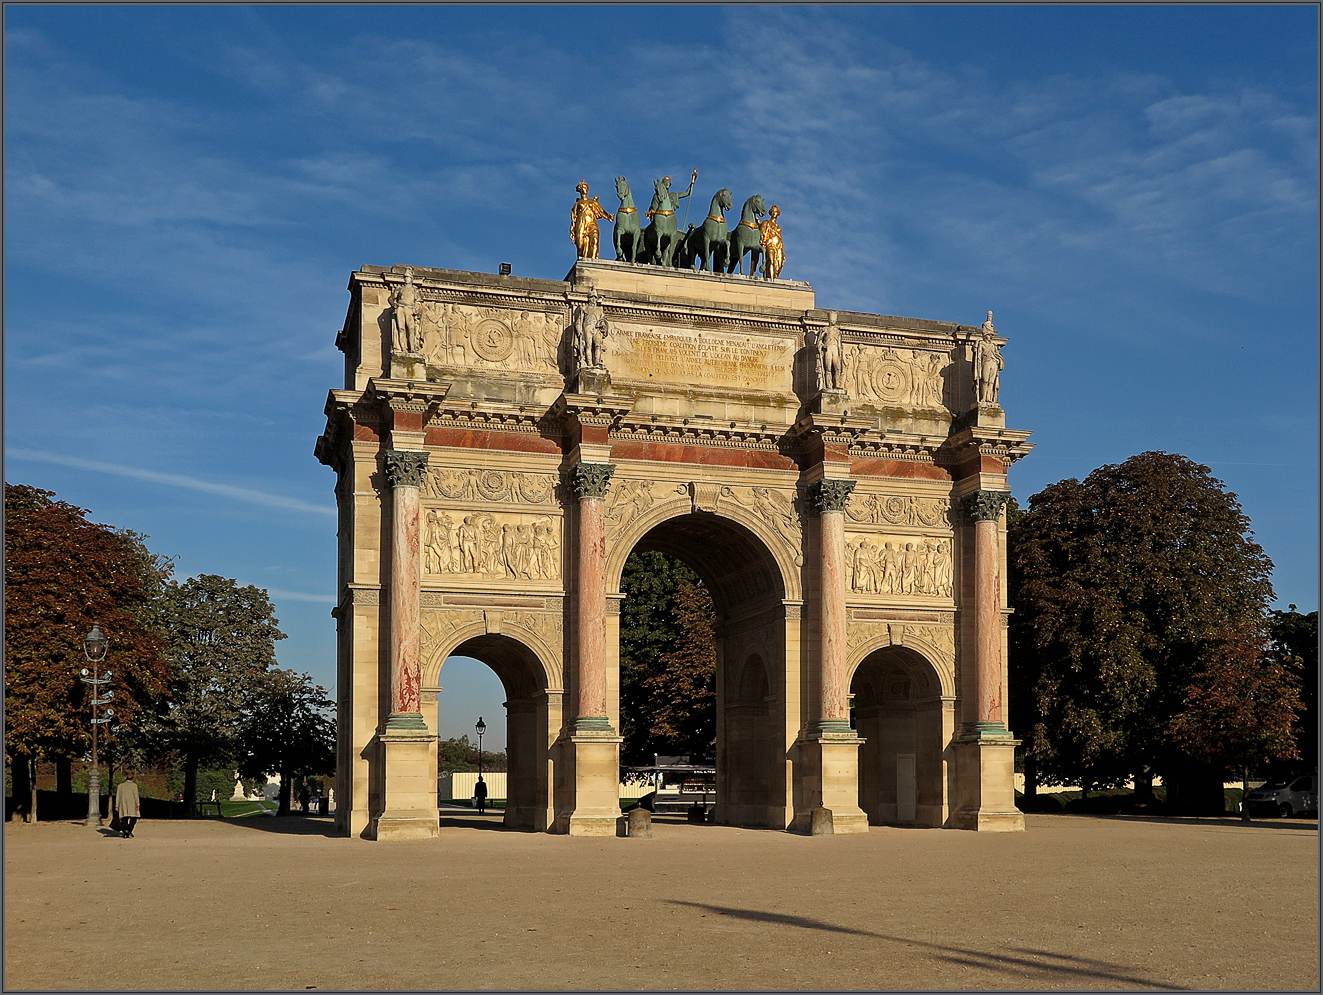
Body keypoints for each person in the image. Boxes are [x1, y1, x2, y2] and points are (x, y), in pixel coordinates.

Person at [116, 772, 140, 839]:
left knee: (124, 818)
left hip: (122, 804)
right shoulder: (134, 785)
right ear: (132, 779)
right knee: (134, 818)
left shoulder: (120, 786)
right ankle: (129, 830)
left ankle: (125, 831)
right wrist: (137, 804)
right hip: (132, 803)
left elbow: (118, 796)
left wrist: (117, 806)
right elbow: (136, 796)